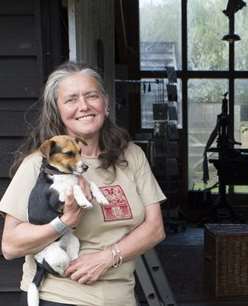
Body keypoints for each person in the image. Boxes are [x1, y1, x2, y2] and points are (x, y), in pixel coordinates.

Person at [0, 62, 166, 306]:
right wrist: (64, 222)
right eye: (71, 100)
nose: (84, 106)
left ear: (105, 103)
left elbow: (155, 228)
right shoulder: (39, 164)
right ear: (57, 110)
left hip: (122, 298)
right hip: (58, 297)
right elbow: (10, 245)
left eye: (91, 96)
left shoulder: (131, 156)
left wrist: (107, 257)